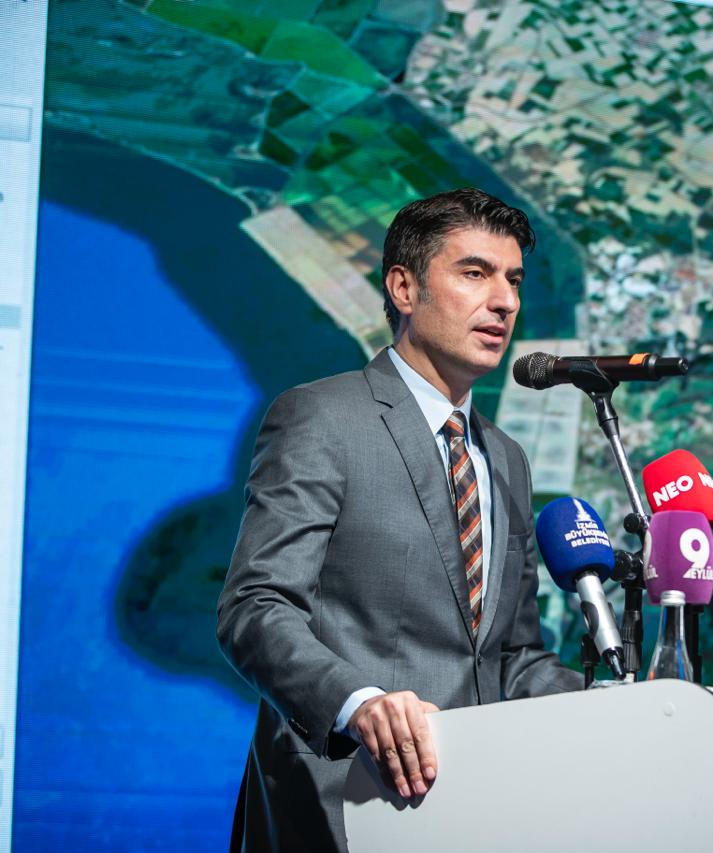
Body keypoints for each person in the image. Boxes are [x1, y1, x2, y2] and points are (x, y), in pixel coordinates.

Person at [216, 188, 580, 851]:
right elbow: (256, 607)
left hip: (472, 813)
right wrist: (358, 703)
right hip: (339, 804)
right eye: (475, 273)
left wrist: (623, 704)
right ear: (404, 288)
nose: (504, 301)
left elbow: (514, 657)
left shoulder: (506, 459)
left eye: (513, 280)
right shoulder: (322, 417)